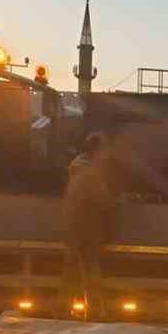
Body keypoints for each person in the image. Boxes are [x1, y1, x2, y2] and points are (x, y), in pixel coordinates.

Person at [63, 132, 115, 317]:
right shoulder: (89, 172)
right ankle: (95, 310)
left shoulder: (78, 168)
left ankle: (68, 308)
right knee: (90, 270)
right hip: (87, 228)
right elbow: (102, 198)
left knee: (76, 270)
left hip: (76, 226)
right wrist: (114, 201)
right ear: (96, 150)